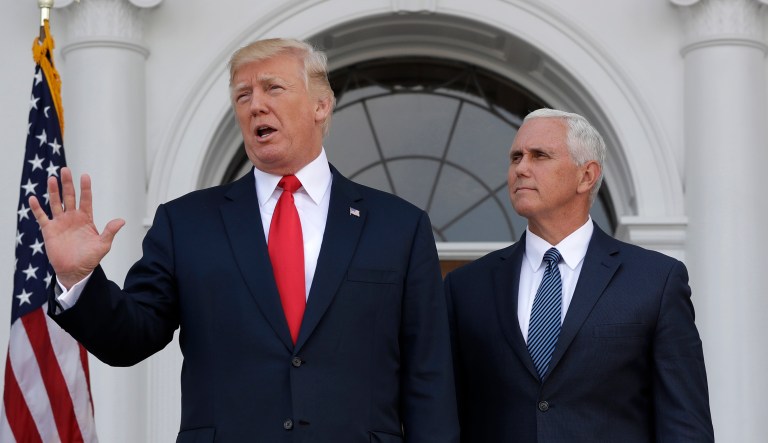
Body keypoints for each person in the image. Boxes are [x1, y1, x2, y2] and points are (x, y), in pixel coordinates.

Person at [30, 38, 459, 443]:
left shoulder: (398, 227)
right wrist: (78, 278)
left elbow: (429, 377)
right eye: (242, 95)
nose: (256, 105)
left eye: (273, 87)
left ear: (321, 106)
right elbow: (130, 339)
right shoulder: (187, 223)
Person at [444, 108, 714, 442]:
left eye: (539, 155)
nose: (521, 168)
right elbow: (444, 415)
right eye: (516, 157)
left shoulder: (655, 281)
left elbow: (685, 424)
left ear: (586, 176)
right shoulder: (465, 287)